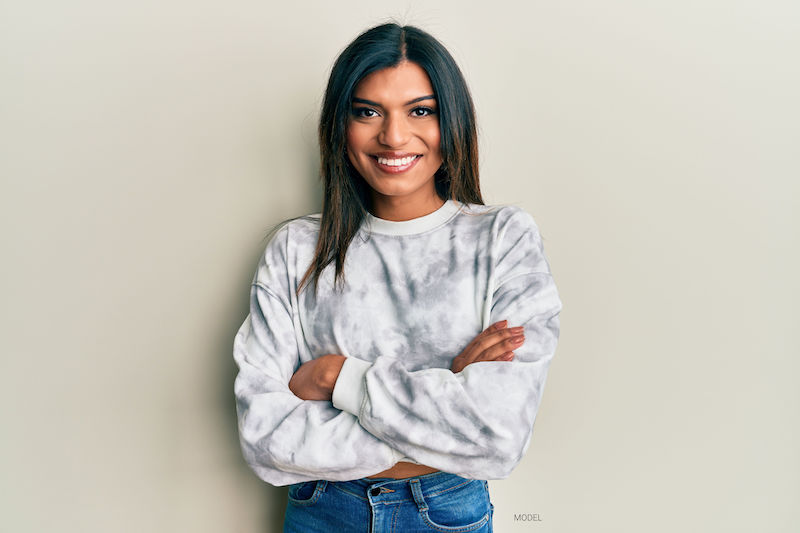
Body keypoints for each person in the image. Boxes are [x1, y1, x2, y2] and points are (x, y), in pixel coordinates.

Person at [232, 22, 562, 533]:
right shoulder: (296, 249)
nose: (393, 135)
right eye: (367, 112)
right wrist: (448, 395)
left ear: (450, 120)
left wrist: (335, 377)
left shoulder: (502, 238)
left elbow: (497, 437)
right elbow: (265, 438)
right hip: (322, 513)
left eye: (420, 110)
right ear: (340, 126)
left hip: (447, 513)